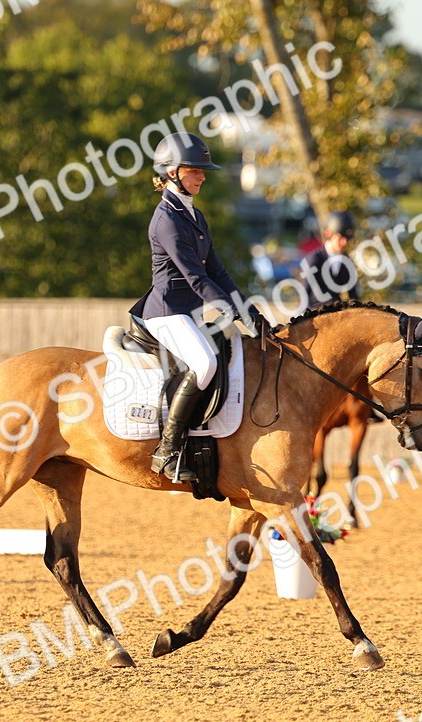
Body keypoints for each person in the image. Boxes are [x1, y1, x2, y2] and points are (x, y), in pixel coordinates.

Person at [129, 132, 271, 483]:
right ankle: (167, 449)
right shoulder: (166, 219)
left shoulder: (193, 215)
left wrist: (249, 311)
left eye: (202, 171)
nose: (202, 177)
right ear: (173, 172)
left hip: (189, 313)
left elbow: (218, 272)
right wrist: (232, 311)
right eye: (195, 170)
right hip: (167, 312)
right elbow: (195, 278)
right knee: (205, 363)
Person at [298, 211, 358, 307]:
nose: (344, 243)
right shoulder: (314, 259)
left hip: (336, 312)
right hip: (315, 311)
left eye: (347, 239)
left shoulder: (347, 262)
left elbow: (353, 296)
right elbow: (305, 294)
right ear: (329, 234)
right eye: (340, 238)